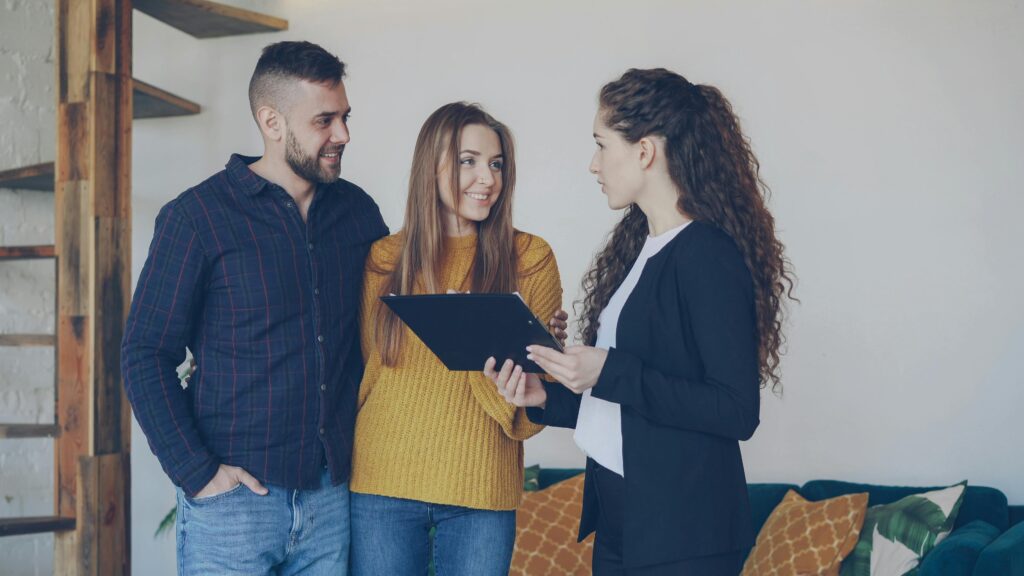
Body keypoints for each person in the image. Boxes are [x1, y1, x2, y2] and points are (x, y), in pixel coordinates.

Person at [487, 68, 796, 575]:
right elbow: (626, 407)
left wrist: (608, 371)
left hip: (684, 534)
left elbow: (736, 410)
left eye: (601, 144)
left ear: (645, 151)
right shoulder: (641, 250)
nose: (593, 164)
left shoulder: (706, 255)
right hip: (624, 523)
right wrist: (546, 397)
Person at [121, 41, 388, 576]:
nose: (344, 135)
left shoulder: (359, 214)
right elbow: (144, 352)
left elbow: (394, 326)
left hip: (333, 501)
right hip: (233, 509)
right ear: (272, 121)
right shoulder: (197, 218)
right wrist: (198, 473)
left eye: (345, 117)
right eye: (325, 120)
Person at [349, 102, 564, 575]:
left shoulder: (531, 258)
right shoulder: (384, 259)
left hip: (481, 487)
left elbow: (541, 398)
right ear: (432, 166)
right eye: (468, 161)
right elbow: (373, 366)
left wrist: (469, 334)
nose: (486, 178)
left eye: (496, 164)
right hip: (383, 480)